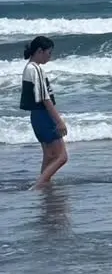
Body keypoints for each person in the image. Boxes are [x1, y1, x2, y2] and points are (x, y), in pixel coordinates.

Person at [20, 35, 68, 189]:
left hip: (36, 115)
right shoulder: (36, 69)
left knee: (49, 155)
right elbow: (45, 98)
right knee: (62, 157)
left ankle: (44, 184)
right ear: (39, 51)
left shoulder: (28, 68)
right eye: (49, 53)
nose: (50, 56)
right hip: (43, 115)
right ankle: (38, 186)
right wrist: (59, 121)